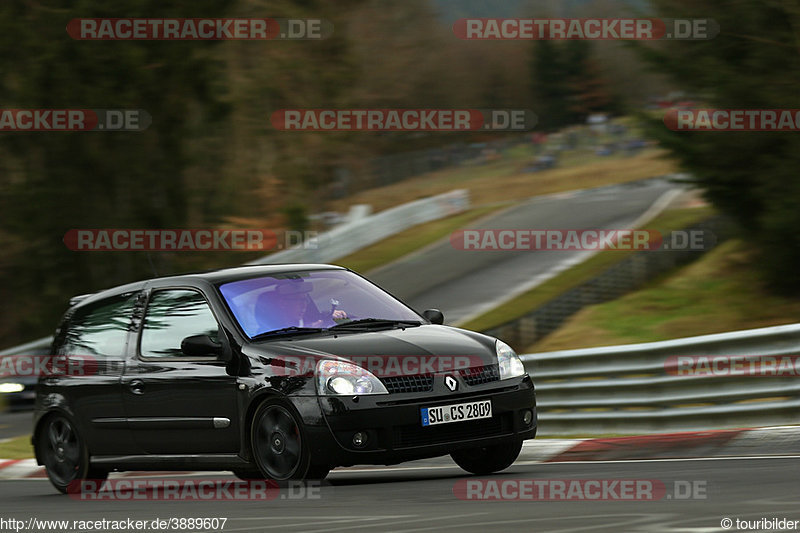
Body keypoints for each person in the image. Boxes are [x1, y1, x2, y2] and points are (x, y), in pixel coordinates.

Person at [254, 280, 346, 333]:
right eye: (297, 300)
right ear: (283, 304)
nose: (303, 304)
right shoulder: (267, 332)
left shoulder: (315, 319)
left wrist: (329, 316)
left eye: (305, 300)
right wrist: (309, 328)